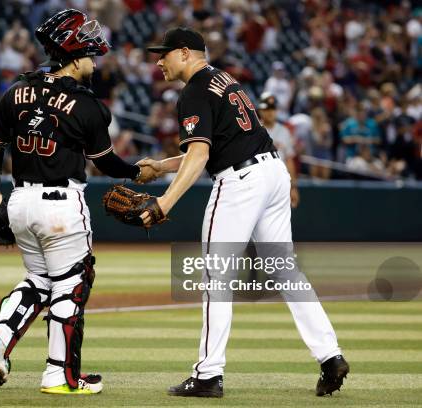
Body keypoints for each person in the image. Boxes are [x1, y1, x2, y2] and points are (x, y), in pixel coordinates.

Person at [139, 27, 349, 398]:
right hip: (272, 173)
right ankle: (330, 355)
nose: (159, 61)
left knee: (216, 275)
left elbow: (202, 155)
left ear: (185, 53)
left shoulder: (194, 91)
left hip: (242, 183)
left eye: (165, 53)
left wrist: (164, 202)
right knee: (286, 271)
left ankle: (207, 374)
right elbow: (214, 147)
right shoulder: (225, 80)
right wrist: (160, 166)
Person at [0, 9, 154, 395]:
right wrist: (138, 173)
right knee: (73, 285)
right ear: (74, 56)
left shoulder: (17, 90)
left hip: (20, 201)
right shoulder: (88, 105)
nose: (94, 62)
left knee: (40, 281)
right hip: (61, 204)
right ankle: (60, 375)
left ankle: (0, 334)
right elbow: (106, 161)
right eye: (90, 55)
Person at [257, 92, 300, 207]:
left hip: (280, 183)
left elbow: (289, 160)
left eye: (272, 109)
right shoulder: (254, 131)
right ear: (260, 111)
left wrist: (293, 187)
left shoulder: (284, 131)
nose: (270, 112)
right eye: (266, 109)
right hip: (259, 182)